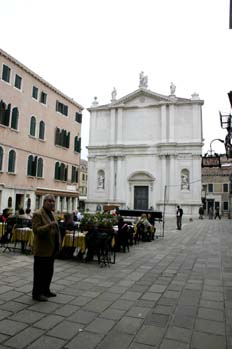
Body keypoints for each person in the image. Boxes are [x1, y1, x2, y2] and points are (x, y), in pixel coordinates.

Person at [32, 194, 61, 302]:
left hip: (51, 249)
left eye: (53, 201)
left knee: (49, 272)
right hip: (42, 249)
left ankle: (46, 290)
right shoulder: (38, 214)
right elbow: (37, 230)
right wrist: (49, 226)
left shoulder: (52, 214)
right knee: (39, 273)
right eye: (49, 201)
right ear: (44, 202)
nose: (52, 203)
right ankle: (37, 293)